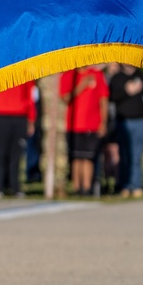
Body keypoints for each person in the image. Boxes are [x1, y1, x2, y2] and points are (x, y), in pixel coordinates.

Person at [59, 66, 109, 196]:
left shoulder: (97, 75)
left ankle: (86, 188)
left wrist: (103, 122)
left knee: (88, 157)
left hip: (92, 124)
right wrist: (82, 85)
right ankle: (77, 187)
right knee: (76, 157)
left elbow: (103, 99)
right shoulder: (68, 75)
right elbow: (65, 98)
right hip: (73, 125)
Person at [108, 62, 143, 198]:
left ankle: (137, 185)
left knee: (137, 155)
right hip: (123, 120)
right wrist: (126, 91)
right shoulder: (117, 78)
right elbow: (111, 97)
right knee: (124, 155)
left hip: (139, 120)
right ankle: (125, 185)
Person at [0, 83, 36, 197]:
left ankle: (15, 187)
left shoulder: (24, 72)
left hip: (19, 117)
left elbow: (30, 97)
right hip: (1, 115)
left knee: (16, 155)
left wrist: (31, 119)